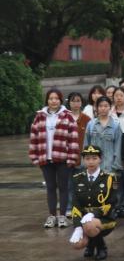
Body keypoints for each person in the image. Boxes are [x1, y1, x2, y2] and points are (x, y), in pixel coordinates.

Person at [30, 89, 80, 229]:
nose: (53, 101)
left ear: (60, 100)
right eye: (51, 98)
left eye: (56, 98)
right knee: (50, 187)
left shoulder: (68, 116)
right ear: (47, 100)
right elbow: (34, 137)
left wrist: (72, 158)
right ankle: (52, 216)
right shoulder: (39, 117)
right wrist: (34, 157)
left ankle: (62, 216)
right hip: (45, 159)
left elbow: (73, 139)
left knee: (63, 187)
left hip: (62, 158)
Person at [66, 145, 117, 260]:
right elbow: (75, 204)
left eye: (94, 158)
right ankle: (91, 244)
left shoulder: (109, 178)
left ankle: (101, 247)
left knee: (90, 224)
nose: (91, 162)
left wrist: (94, 214)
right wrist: (77, 226)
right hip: (84, 219)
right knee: (77, 244)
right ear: (83, 160)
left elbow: (112, 203)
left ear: (100, 159)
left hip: (104, 218)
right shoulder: (77, 178)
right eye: (87, 158)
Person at [83, 96, 122, 209]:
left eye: (106, 106)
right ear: (96, 107)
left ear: (110, 107)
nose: (103, 108)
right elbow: (86, 144)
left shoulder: (115, 125)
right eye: (100, 106)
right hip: (93, 165)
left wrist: (116, 165)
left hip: (109, 166)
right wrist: (86, 162)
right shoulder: (91, 124)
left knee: (110, 192)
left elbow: (118, 146)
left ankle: (110, 212)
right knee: (94, 191)